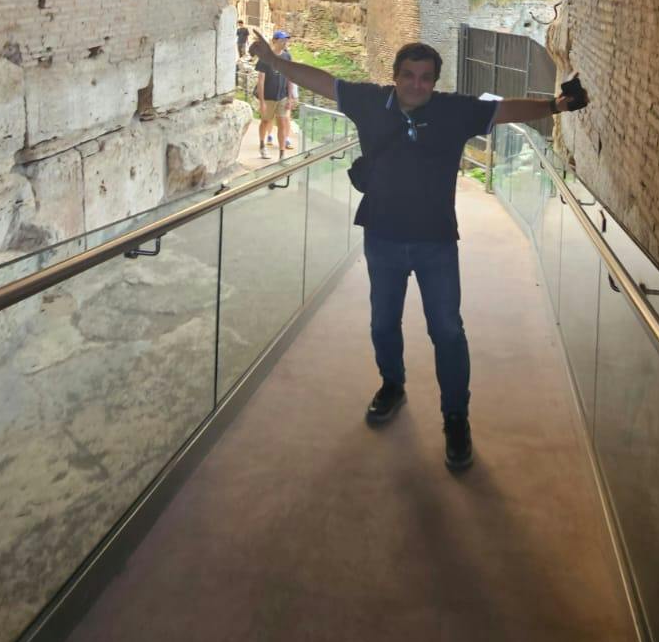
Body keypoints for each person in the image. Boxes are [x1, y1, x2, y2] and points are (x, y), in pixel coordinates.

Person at [248, 29, 585, 470]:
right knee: (383, 322)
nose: (416, 85)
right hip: (383, 236)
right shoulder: (372, 102)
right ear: (395, 76)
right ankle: (392, 384)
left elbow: (505, 109)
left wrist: (555, 106)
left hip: (436, 241)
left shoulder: (453, 110)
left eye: (426, 78)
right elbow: (323, 81)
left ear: (434, 81)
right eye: (408, 75)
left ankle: (456, 417)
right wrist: (274, 62)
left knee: (447, 330)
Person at [256, 28, 298, 157]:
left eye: (286, 40)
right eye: (282, 40)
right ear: (274, 41)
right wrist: (262, 102)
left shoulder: (287, 56)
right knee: (265, 121)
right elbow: (261, 81)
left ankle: (282, 154)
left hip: (282, 96)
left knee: (282, 123)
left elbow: (290, 77)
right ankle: (262, 145)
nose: (285, 43)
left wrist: (290, 97)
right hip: (268, 96)